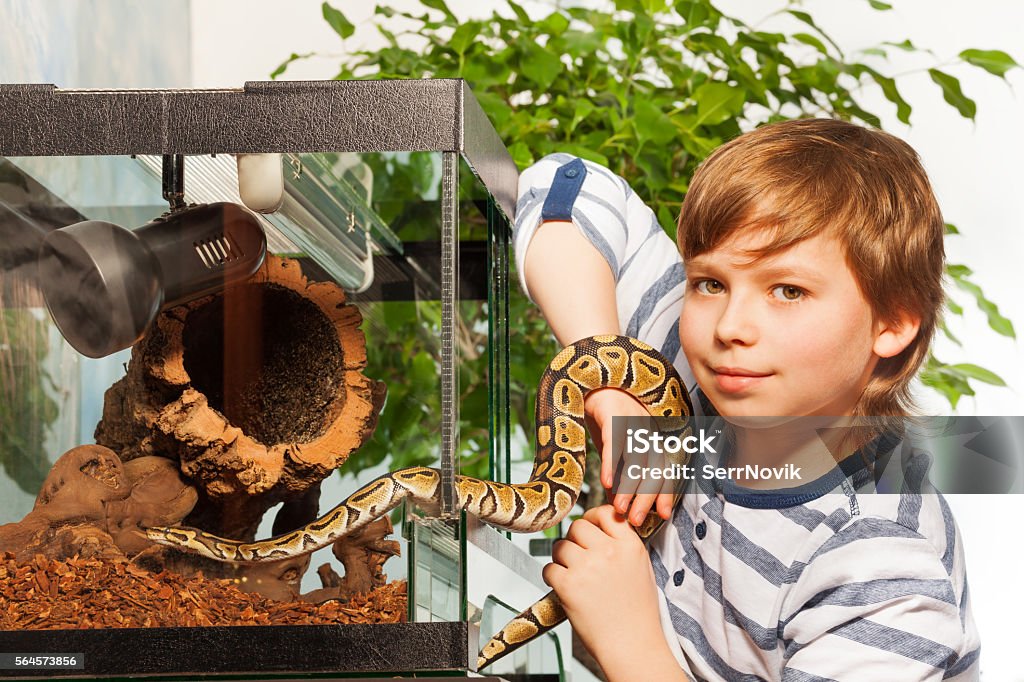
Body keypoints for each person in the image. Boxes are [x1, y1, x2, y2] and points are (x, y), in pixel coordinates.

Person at [515, 118, 980, 681]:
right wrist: (611, 383)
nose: (731, 325)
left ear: (893, 322)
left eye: (788, 291)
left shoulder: (882, 564)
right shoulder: (691, 366)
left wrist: (628, 640)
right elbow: (566, 185)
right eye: (710, 282)